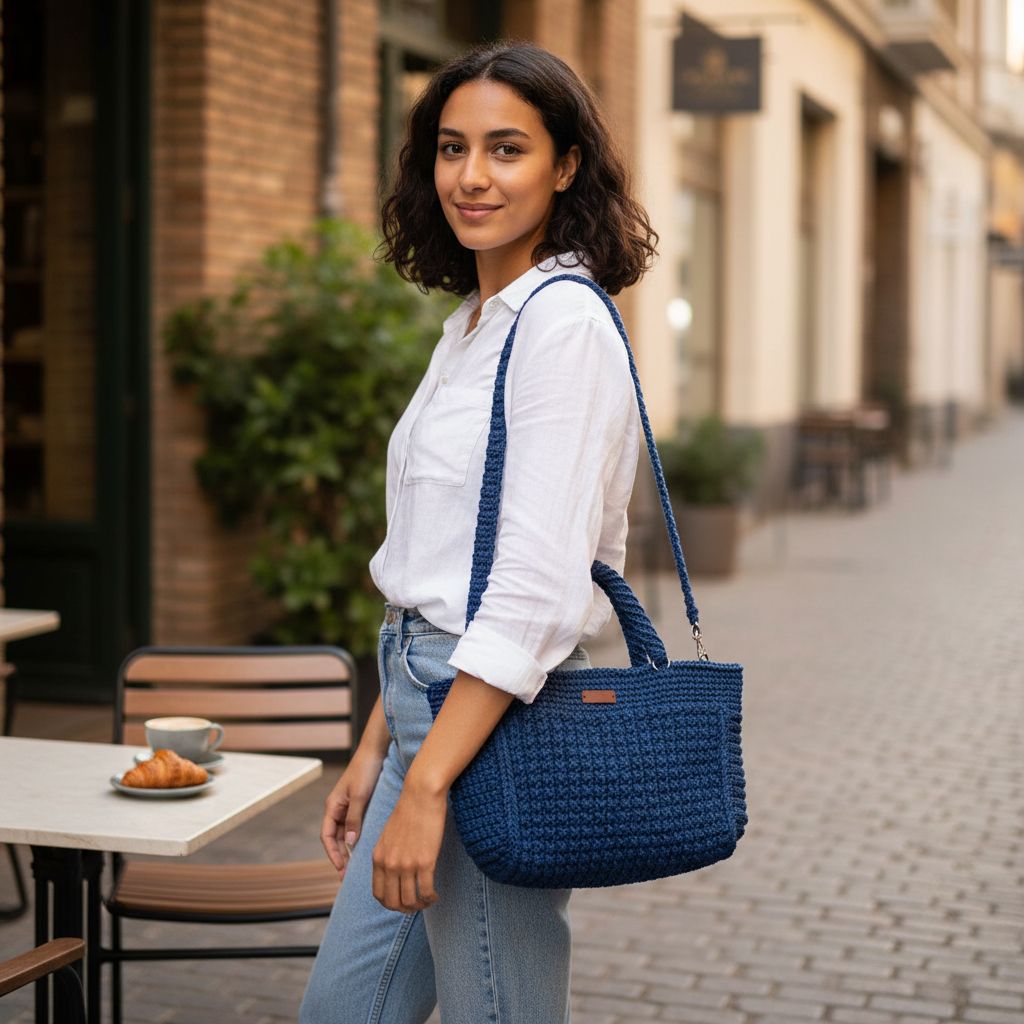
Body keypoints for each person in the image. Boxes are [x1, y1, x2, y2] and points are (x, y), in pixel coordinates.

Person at [299, 40, 656, 1024]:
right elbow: (437, 569)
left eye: (506, 149)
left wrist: (429, 782)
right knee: (343, 1010)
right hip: (425, 709)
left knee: (500, 1007)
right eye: (452, 148)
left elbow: (534, 592)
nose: (470, 176)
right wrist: (378, 751)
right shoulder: (472, 323)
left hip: (489, 725)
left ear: (566, 164)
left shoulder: (562, 327)